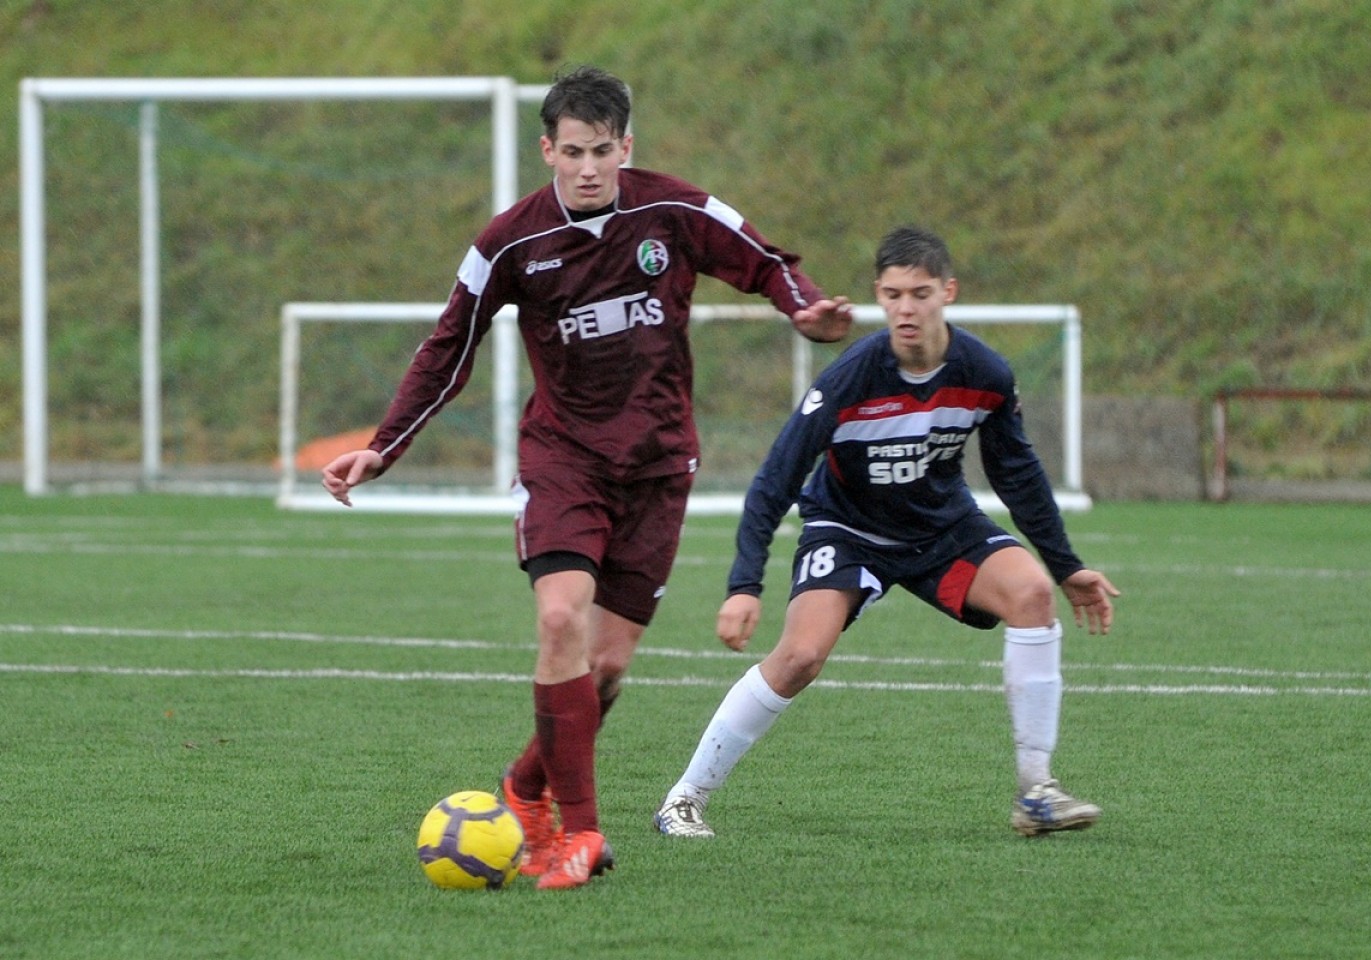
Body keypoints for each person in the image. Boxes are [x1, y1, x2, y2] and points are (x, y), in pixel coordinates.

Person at [321, 65, 852, 889]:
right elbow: (448, 348)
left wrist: (805, 308)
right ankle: (579, 835)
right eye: (573, 152)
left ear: (626, 147)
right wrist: (384, 445)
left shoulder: (670, 209)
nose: (589, 167)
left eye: (604, 150)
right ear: (548, 151)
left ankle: (525, 789)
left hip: (658, 467)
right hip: (563, 460)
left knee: (604, 671)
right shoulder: (509, 243)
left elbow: (762, 258)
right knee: (561, 619)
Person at [654, 226, 1118, 840]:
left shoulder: (984, 373)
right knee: (799, 657)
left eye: (920, 293)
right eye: (893, 294)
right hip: (847, 530)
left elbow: (1019, 476)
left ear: (947, 292)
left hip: (942, 530)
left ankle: (1036, 791)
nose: (905, 308)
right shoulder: (850, 379)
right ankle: (684, 798)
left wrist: (1065, 566)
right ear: (879, 294)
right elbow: (774, 481)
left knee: (1032, 595)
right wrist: (744, 585)